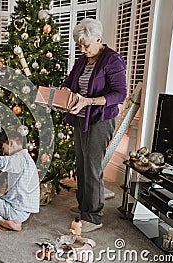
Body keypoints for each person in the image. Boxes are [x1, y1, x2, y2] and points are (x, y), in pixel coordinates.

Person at [60, 18, 127, 233]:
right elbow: (70, 81)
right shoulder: (81, 60)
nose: (82, 49)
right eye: (79, 45)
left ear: (98, 39)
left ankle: (94, 216)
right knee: (81, 163)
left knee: (92, 166)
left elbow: (119, 94)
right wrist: (62, 91)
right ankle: (84, 206)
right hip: (80, 118)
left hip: (100, 118)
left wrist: (88, 101)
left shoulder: (112, 60)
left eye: (86, 45)